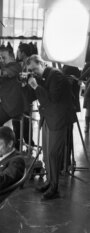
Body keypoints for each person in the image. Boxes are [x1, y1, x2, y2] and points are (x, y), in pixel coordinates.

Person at [24, 55, 75, 200]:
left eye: (34, 69)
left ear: (42, 63)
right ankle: (49, 182)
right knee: (47, 153)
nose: (33, 72)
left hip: (58, 119)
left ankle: (54, 188)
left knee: (53, 153)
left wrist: (35, 85)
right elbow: (37, 96)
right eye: (30, 71)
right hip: (49, 118)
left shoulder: (56, 76)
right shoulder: (44, 76)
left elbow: (51, 98)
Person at [14, 43, 35, 148]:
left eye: (18, 51)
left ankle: (27, 143)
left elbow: (28, 82)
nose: (17, 53)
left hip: (25, 98)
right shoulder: (23, 64)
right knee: (21, 122)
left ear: (23, 53)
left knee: (25, 122)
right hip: (22, 97)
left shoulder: (28, 65)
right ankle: (21, 142)